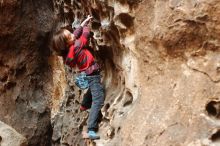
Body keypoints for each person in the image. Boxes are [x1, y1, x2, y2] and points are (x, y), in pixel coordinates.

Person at [52, 15, 104, 139]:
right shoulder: (76, 46)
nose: (72, 34)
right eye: (69, 36)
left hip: (88, 73)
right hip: (92, 73)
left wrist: (83, 23)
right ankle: (91, 129)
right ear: (67, 43)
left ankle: (84, 104)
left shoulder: (70, 48)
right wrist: (86, 26)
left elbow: (75, 34)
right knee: (98, 99)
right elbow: (85, 36)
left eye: (70, 33)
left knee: (93, 88)